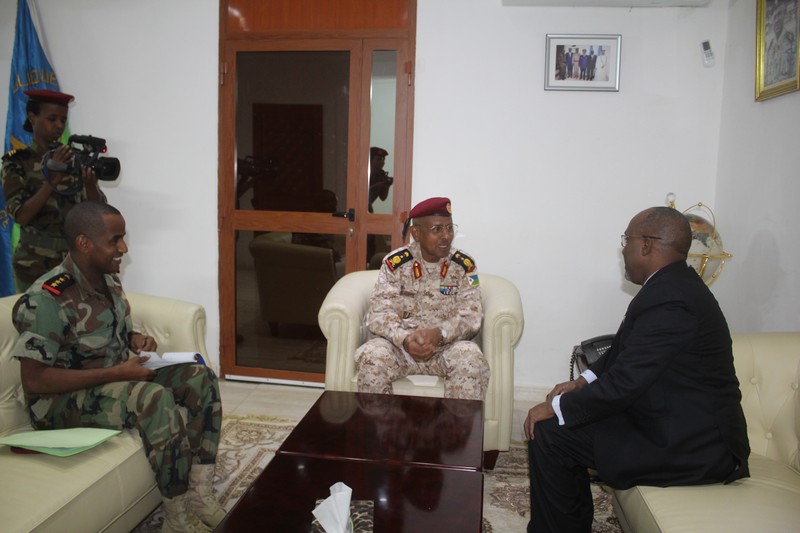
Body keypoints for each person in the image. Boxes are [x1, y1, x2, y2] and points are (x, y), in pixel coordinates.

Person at [523, 206, 750, 533]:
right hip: (670, 418)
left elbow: (625, 383)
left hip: (693, 445)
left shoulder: (673, 299)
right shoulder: (671, 286)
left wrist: (558, 407)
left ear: (646, 244)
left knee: (551, 432)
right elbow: (624, 351)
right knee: (558, 428)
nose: (622, 249)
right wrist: (583, 381)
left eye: (625, 240)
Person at [11, 201, 225, 533]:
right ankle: (177, 517)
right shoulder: (47, 299)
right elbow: (35, 380)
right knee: (151, 398)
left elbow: (106, 332)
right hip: (57, 404)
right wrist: (117, 373)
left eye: (123, 238)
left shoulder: (107, 279)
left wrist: (134, 339)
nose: (124, 248)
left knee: (201, 378)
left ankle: (199, 494)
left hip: (110, 379)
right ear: (84, 243)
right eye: (115, 240)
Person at [355, 196, 489, 400]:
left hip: (445, 348)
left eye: (449, 228)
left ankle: (457, 422)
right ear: (416, 233)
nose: (446, 236)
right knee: (372, 355)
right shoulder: (396, 264)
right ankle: (378, 421)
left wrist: (440, 333)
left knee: (470, 357)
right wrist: (405, 339)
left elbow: (472, 316)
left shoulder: (464, 266)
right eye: (437, 229)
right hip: (401, 349)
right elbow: (379, 314)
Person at [1, 89, 106, 292]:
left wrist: (91, 185)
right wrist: (51, 181)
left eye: (63, 120)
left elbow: (98, 215)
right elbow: (21, 215)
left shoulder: (74, 160)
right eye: (52, 119)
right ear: (32, 117)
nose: (59, 125)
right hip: (33, 264)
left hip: (73, 263)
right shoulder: (17, 161)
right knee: (36, 313)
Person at [367, 146, 392, 213]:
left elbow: (383, 198)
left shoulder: (381, 175)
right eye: (379, 159)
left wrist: (387, 185)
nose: (382, 162)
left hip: (368, 208)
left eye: (383, 159)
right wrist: (378, 185)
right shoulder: (364, 173)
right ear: (371, 160)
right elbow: (362, 193)